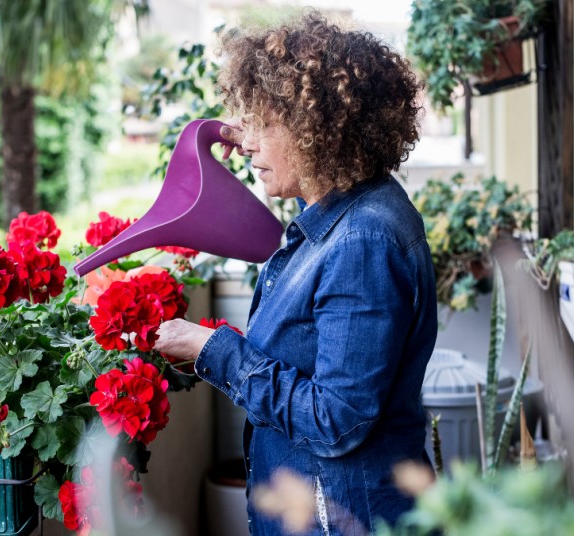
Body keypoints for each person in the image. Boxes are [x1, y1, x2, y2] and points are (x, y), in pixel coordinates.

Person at [153, 12, 437, 535]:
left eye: (264, 122)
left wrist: (213, 350)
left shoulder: (362, 241)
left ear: (319, 130)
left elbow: (336, 419)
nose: (246, 144)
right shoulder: (344, 216)